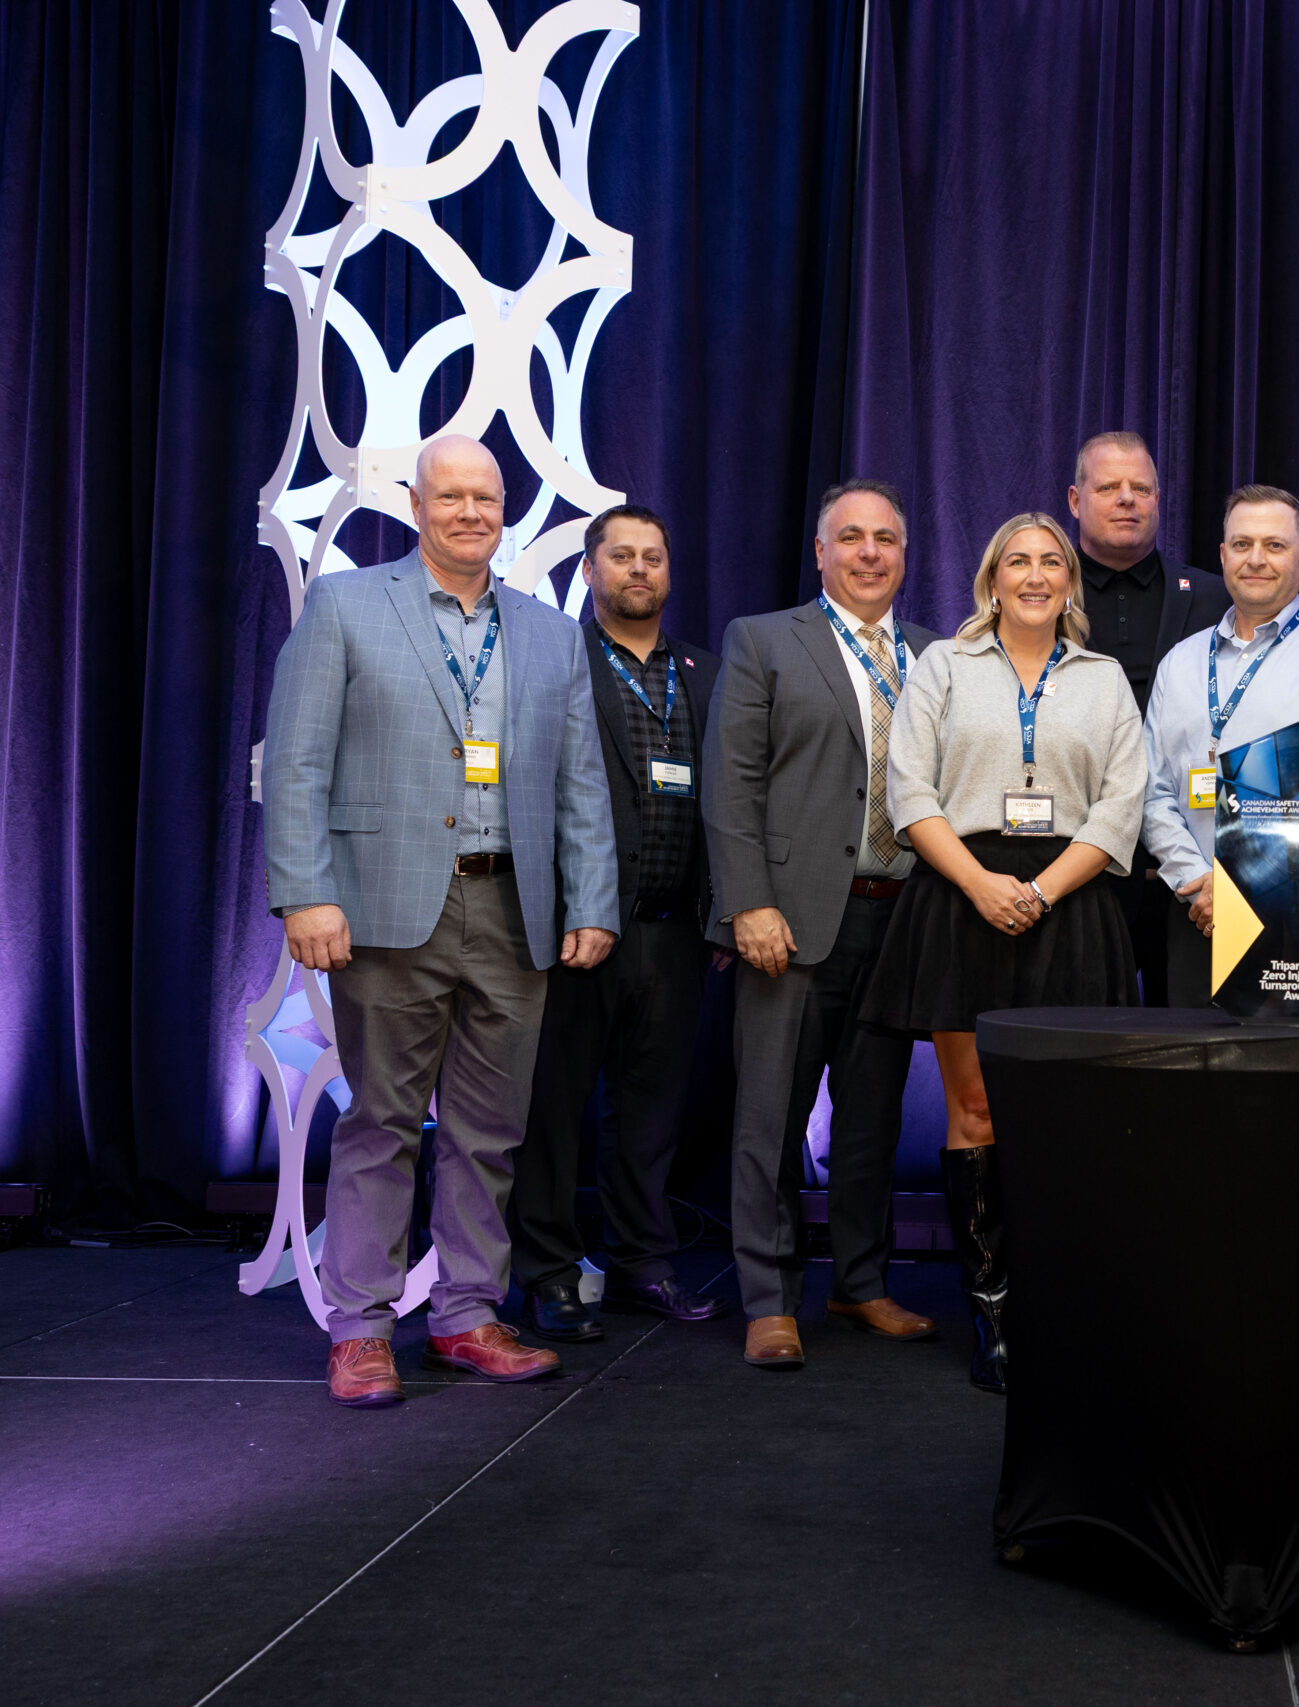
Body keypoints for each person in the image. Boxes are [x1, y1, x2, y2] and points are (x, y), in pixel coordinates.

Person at [263, 434, 617, 1408]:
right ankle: (361, 1328)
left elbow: (582, 783)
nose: (470, 512)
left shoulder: (550, 632)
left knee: (489, 1131)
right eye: (450, 496)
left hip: (514, 910)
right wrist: (305, 892)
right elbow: (296, 761)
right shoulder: (345, 605)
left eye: (485, 498)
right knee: (382, 1120)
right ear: (416, 506)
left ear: (506, 510)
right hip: (384, 907)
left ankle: (466, 1314)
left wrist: (591, 900)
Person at [863, 511, 1148, 1394]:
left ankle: (1057, 1303)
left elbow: (1122, 803)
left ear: (1070, 582)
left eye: (1050, 561)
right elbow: (909, 790)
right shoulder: (943, 666)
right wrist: (982, 885)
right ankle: (991, 1311)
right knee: (978, 1108)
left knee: (1067, 1115)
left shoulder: (1104, 678)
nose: (1034, 575)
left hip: (1072, 900)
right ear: (991, 580)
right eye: (1016, 561)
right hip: (961, 895)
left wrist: (1043, 890)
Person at [702, 480, 942, 1370]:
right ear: (821, 552)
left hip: (901, 918)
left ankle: (860, 1281)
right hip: (790, 921)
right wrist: (748, 902)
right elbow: (732, 781)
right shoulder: (764, 640)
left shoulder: (937, 654)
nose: (869, 552)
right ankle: (769, 1298)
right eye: (851, 537)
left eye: (886, 538)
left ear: (905, 554)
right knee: (771, 1116)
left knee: (874, 1118)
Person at [510, 505, 728, 1341]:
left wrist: (721, 909)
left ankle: (642, 1262)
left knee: (651, 1110)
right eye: (622, 555)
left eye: (654, 557)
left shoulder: (705, 672)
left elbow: (730, 801)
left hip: (676, 930)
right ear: (590, 569)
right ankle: (548, 1272)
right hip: (579, 927)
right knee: (553, 1109)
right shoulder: (555, 661)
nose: (640, 569)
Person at [1143, 485, 1299, 1009]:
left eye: (1275, 545)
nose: (1256, 559)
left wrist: (1245, 885)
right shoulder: (1180, 663)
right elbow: (1153, 793)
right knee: (1194, 1061)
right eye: (1242, 544)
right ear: (1222, 555)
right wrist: (1198, 881)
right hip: (1199, 913)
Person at [1069, 431, 1231, 1004]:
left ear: (1159, 499)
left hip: (1190, 868)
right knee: (1083, 1037)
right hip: (1078, 863)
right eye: (1108, 487)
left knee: (1191, 1035)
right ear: (1075, 500)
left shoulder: (1214, 597)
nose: (1126, 499)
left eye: (1141, 488)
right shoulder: (1040, 595)